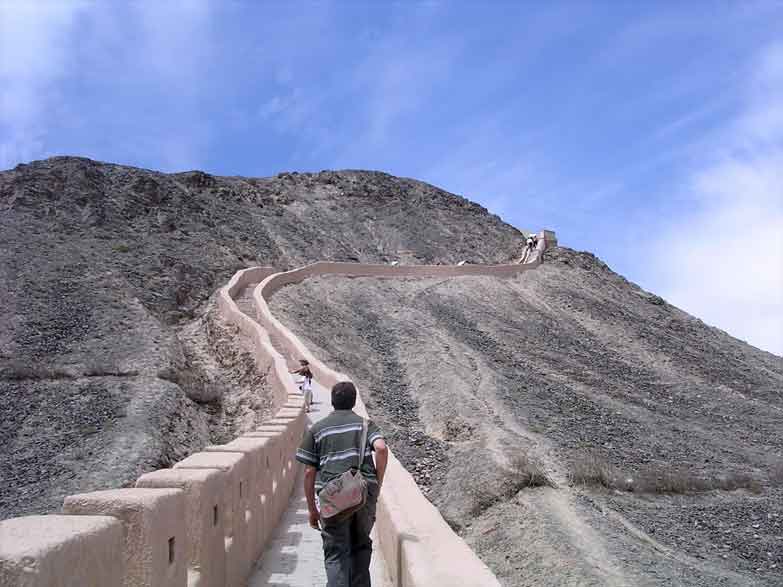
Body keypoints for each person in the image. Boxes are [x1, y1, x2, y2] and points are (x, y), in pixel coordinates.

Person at [295, 381, 388, 587]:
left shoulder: (318, 429)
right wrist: (376, 485)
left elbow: (310, 472)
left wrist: (312, 510)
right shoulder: (365, 424)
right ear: (354, 401)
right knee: (361, 547)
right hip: (363, 495)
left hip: (333, 500)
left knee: (336, 552)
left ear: (332, 401)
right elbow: (381, 448)